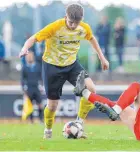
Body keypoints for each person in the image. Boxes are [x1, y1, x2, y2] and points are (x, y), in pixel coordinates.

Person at [19, 4, 109, 139]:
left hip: (72, 64)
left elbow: (92, 38)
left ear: (81, 20)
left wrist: (102, 58)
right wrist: (24, 49)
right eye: (71, 22)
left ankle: (79, 123)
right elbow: (33, 38)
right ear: (65, 16)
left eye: (76, 23)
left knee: (91, 88)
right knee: (52, 105)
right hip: (52, 67)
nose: (73, 25)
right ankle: (48, 130)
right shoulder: (55, 27)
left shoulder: (84, 28)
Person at [21, 51, 43, 123]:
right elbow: (22, 79)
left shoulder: (38, 66)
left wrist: (42, 85)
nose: (29, 58)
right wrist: (24, 88)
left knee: (40, 104)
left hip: (37, 88)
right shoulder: (24, 67)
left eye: (31, 56)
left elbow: (41, 77)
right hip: (29, 88)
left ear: (33, 57)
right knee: (30, 105)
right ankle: (31, 121)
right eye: (28, 56)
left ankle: (41, 120)